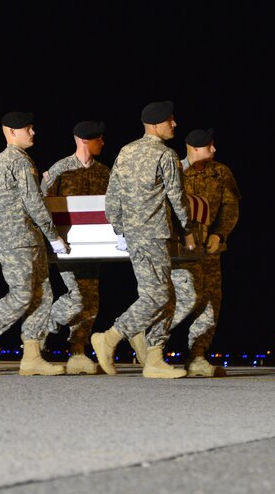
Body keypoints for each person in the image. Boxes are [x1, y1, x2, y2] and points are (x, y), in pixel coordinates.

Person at [0, 111, 70, 376]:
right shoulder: (19, 161)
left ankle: (32, 357)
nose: (33, 133)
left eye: (32, 128)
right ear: (11, 132)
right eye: (27, 129)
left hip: (19, 239)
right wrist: (53, 235)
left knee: (42, 296)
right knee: (22, 294)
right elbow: (34, 201)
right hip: (21, 239)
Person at [91, 101, 195, 379]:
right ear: (156, 124)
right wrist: (188, 231)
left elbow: (111, 197)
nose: (174, 124)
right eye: (170, 120)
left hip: (136, 236)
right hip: (154, 234)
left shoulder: (126, 152)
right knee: (158, 295)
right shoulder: (166, 154)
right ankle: (111, 337)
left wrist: (120, 229)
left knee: (166, 296)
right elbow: (178, 198)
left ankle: (155, 358)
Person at [40, 120, 110, 375]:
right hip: (66, 246)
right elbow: (42, 205)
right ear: (83, 140)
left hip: (96, 246)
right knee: (78, 295)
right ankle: (45, 326)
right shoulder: (60, 170)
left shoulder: (104, 173)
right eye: (97, 139)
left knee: (91, 299)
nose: (102, 142)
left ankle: (78, 351)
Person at [169, 128, 241, 376]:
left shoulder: (220, 173)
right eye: (209, 146)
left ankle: (197, 356)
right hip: (179, 251)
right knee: (186, 299)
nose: (214, 150)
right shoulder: (174, 171)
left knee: (210, 302)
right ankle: (150, 343)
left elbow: (230, 207)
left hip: (210, 250)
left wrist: (219, 234)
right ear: (194, 148)